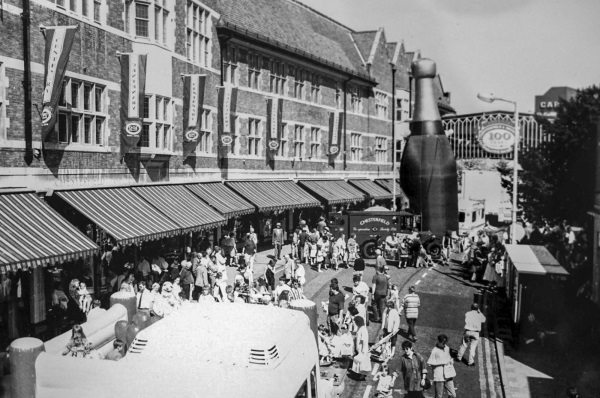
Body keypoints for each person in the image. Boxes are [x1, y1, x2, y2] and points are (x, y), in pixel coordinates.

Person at [351, 316, 371, 380]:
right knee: (360, 362)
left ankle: (362, 375)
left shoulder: (363, 329)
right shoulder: (360, 328)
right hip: (360, 348)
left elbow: (364, 340)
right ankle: (359, 373)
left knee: (362, 362)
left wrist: (362, 349)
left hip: (362, 349)